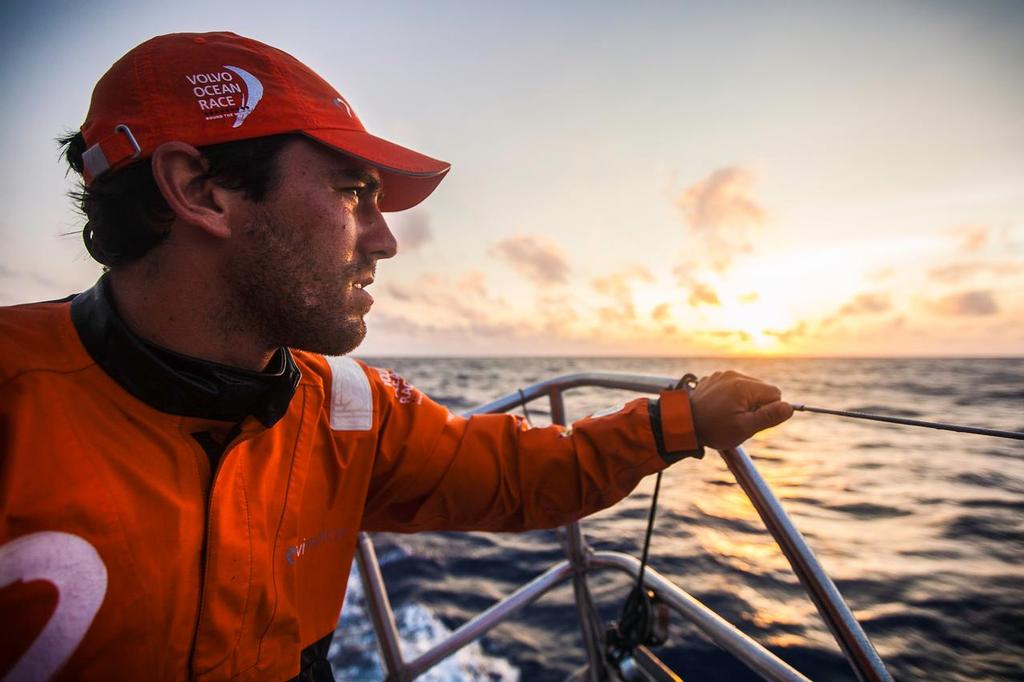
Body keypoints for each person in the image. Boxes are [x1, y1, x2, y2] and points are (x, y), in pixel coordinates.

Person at [0, 32, 793, 681]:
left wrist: (678, 421)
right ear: (201, 189)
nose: (384, 240)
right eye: (354, 193)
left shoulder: (348, 409)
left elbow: (521, 476)